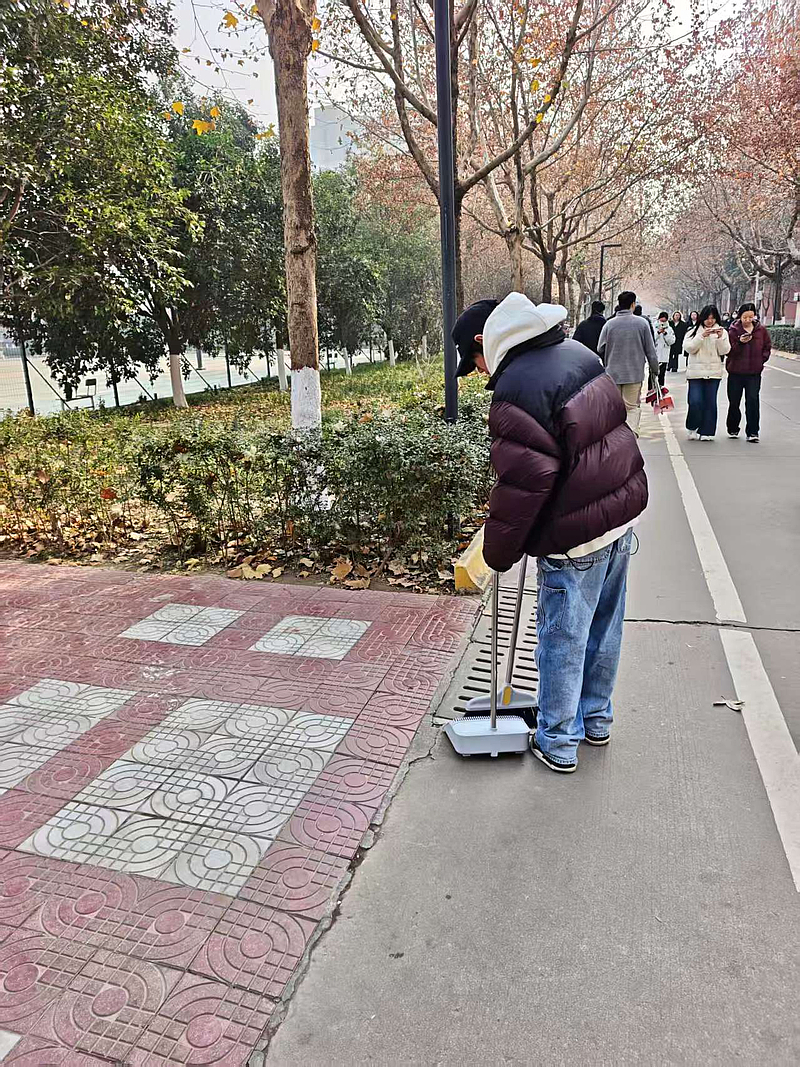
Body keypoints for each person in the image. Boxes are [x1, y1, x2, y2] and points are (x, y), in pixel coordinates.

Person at [452, 293, 647, 774]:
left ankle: (558, 740)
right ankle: (595, 720)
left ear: (484, 341)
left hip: (575, 535)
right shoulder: (576, 352)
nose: (480, 373)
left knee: (562, 638)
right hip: (619, 519)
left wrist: (498, 552)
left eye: (475, 362)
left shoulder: (518, 385)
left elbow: (525, 481)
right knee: (603, 629)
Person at [597, 290, 658, 436]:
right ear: (633, 304)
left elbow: (600, 348)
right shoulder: (642, 323)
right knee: (631, 407)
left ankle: (615, 436)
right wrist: (655, 370)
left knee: (615, 408)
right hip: (634, 374)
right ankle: (630, 435)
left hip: (613, 374)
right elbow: (650, 351)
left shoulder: (609, 324)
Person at [683, 304, 731, 440]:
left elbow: (725, 351)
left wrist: (720, 338)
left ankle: (707, 431)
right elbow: (689, 349)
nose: (710, 321)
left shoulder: (722, 332)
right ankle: (692, 426)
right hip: (695, 373)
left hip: (713, 372)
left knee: (710, 402)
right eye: (707, 318)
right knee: (695, 401)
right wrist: (701, 336)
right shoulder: (692, 331)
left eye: (713, 318)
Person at [726, 302, 771, 443]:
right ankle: (733, 427)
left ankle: (753, 432)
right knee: (734, 402)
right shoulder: (733, 330)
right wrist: (740, 342)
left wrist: (761, 359)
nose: (748, 320)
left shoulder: (761, 330)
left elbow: (767, 346)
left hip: (753, 373)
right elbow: (729, 351)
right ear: (740, 316)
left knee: (752, 401)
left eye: (751, 317)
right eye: (745, 317)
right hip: (735, 372)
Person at [654, 311, 675, 387]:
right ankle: (651, 388)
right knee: (652, 373)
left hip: (664, 353)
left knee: (662, 373)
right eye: (661, 320)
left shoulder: (669, 329)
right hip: (655, 353)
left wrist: (665, 334)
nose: (662, 322)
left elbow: (672, 341)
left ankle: (661, 386)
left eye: (664, 321)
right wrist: (658, 333)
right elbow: (651, 339)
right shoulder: (654, 327)